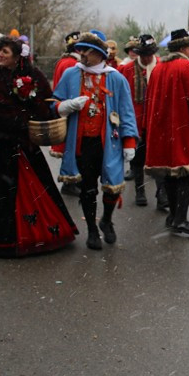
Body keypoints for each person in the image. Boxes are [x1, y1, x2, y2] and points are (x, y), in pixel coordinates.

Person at [0, 35, 79, 256]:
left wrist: (39, 107)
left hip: (25, 142)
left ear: (17, 57)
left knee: (35, 187)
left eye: (5, 52)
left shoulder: (33, 75)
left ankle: (37, 234)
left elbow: (45, 102)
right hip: (0, 141)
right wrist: (24, 116)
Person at [53, 32, 139, 250]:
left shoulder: (116, 78)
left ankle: (106, 220)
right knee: (88, 188)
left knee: (112, 186)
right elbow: (53, 101)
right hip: (82, 144)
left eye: (87, 51)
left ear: (99, 54)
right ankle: (91, 229)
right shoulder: (72, 74)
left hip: (109, 144)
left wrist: (129, 142)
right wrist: (64, 106)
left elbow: (127, 112)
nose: (82, 55)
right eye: (81, 50)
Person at [144, 29, 189, 237]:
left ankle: (173, 216)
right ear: (186, 47)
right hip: (185, 130)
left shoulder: (158, 68)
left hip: (164, 130)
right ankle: (180, 218)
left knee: (170, 174)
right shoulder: (187, 67)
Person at [119, 34, 165, 208]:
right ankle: (140, 191)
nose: (146, 58)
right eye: (142, 55)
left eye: (149, 54)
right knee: (137, 161)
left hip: (157, 123)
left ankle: (161, 194)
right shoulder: (126, 70)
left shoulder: (162, 67)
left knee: (160, 160)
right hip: (135, 124)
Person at [49, 32, 82, 173]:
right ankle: (70, 179)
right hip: (69, 108)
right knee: (71, 145)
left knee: (67, 145)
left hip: (62, 106)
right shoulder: (73, 64)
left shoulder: (63, 61)